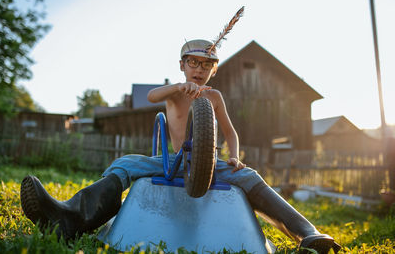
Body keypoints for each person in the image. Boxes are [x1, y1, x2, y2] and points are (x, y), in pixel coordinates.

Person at [20, 39, 340, 253]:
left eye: (205, 65)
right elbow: (151, 97)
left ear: (213, 69)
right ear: (183, 65)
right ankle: (70, 216)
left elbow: (230, 132)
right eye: (193, 64)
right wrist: (177, 86)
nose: (198, 70)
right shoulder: (175, 93)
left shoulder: (214, 97)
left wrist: (236, 157)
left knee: (250, 176)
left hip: (207, 164)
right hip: (170, 161)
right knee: (127, 164)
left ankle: (306, 233)